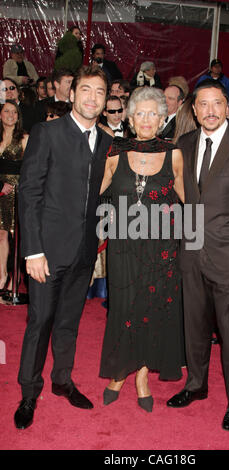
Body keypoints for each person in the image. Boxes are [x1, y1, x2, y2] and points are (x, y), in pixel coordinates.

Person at [166, 80, 229, 431]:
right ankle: (195, 385)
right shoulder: (184, 144)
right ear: (193, 111)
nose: (209, 111)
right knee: (193, 327)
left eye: (217, 104)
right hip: (191, 253)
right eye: (203, 105)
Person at [14, 65, 113, 430]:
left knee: (69, 323)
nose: (92, 98)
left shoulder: (106, 142)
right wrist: (33, 250)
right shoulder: (48, 132)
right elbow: (29, 192)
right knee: (39, 322)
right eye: (85, 90)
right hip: (47, 252)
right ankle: (29, 392)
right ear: (71, 94)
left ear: (105, 100)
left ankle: (62, 380)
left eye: (99, 92)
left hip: (85, 251)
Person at [99, 86, 185, 413]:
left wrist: (194, 247)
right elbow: (93, 194)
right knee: (122, 308)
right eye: (140, 113)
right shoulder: (115, 152)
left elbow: (188, 202)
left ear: (162, 118)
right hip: (122, 246)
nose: (146, 119)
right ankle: (120, 371)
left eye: (153, 113)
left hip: (162, 249)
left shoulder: (173, 153)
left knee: (150, 309)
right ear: (130, 119)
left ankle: (143, 375)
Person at [0, 100, 28, 295]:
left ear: (18, 116)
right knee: (1, 234)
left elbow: (31, 166)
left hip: (18, 191)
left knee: (17, 236)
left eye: (14, 112)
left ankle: (16, 276)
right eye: (6, 111)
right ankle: (2, 275)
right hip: (0, 190)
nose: (11, 115)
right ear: (0, 114)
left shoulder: (25, 138)